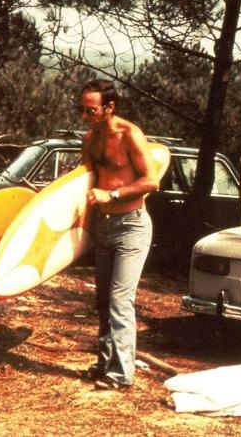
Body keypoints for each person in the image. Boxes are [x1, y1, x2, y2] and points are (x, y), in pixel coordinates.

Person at [79, 79, 160, 391]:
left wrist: (111, 196)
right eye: (82, 110)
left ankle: (121, 375)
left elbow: (151, 180)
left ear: (109, 107)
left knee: (119, 300)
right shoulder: (91, 138)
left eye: (91, 110)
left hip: (131, 225)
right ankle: (105, 363)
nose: (85, 116)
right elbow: (86, 180)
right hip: (103, 226)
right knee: (102, 301)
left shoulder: (130, 134)